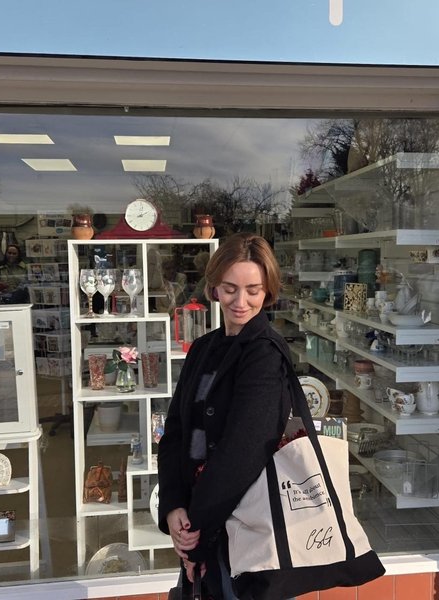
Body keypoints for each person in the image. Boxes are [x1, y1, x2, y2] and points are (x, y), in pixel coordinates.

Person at [157, 233, 292, 599]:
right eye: (230, 288)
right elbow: (175, 433)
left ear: (268, 291)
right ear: (214, 287)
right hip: (200, 525)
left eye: (253, 289)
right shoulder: (203, 348)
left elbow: (242, 454)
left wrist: (197, 535)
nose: (241, 301)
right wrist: (173, 508)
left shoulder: (265, 355)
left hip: (245, 530)